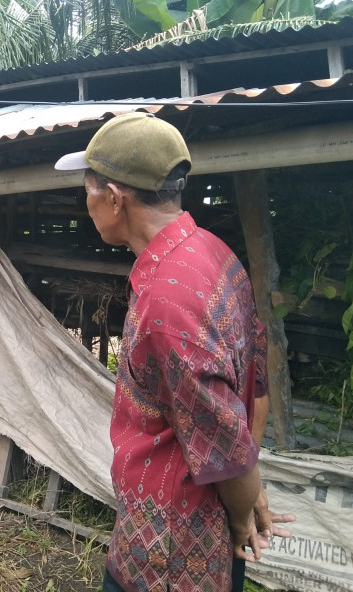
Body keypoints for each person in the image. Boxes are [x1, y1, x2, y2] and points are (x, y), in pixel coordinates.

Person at [55, 112, 293, 591]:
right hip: (203, 537)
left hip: (170, 555)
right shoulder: (213, 253)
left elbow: (225, 445)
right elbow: (255, 383)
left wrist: (243, 506)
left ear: (114, 198)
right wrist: (248, 496)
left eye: (87, 188)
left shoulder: (167, 304)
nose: (87, 202)